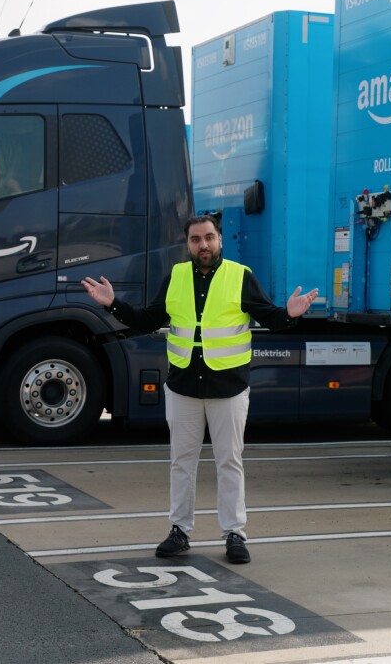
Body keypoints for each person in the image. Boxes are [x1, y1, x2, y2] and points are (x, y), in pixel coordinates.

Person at [81, 214, 317, 564]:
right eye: (195, 239)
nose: (203, 245)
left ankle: (235, 534)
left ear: (220, 240)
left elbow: (269, 317)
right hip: (183, 388)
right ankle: (180, 530)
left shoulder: (240, 276)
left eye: (208, 238)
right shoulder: (175, 277)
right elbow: (148, 320)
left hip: (229, 387)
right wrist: (113, 304)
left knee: (229, 462)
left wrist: (290, 313)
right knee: (182, 462)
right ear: (188, 244)